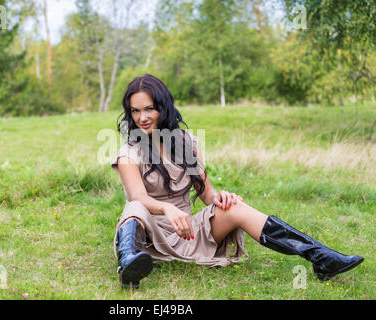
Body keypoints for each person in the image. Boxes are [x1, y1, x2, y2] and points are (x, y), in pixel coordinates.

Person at [111, 73, 364, 289]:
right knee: (133, 208)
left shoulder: (186, 143)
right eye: (135, 111)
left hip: (187, 232)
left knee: (233, 207)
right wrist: (167, 207)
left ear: (162, 107)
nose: (142, 117)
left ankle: (320, 257)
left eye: (149, 109)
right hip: (149, 238)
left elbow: (206, 193)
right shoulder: (129, 153)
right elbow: (138, 198)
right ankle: (130, 264)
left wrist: (221, 198)